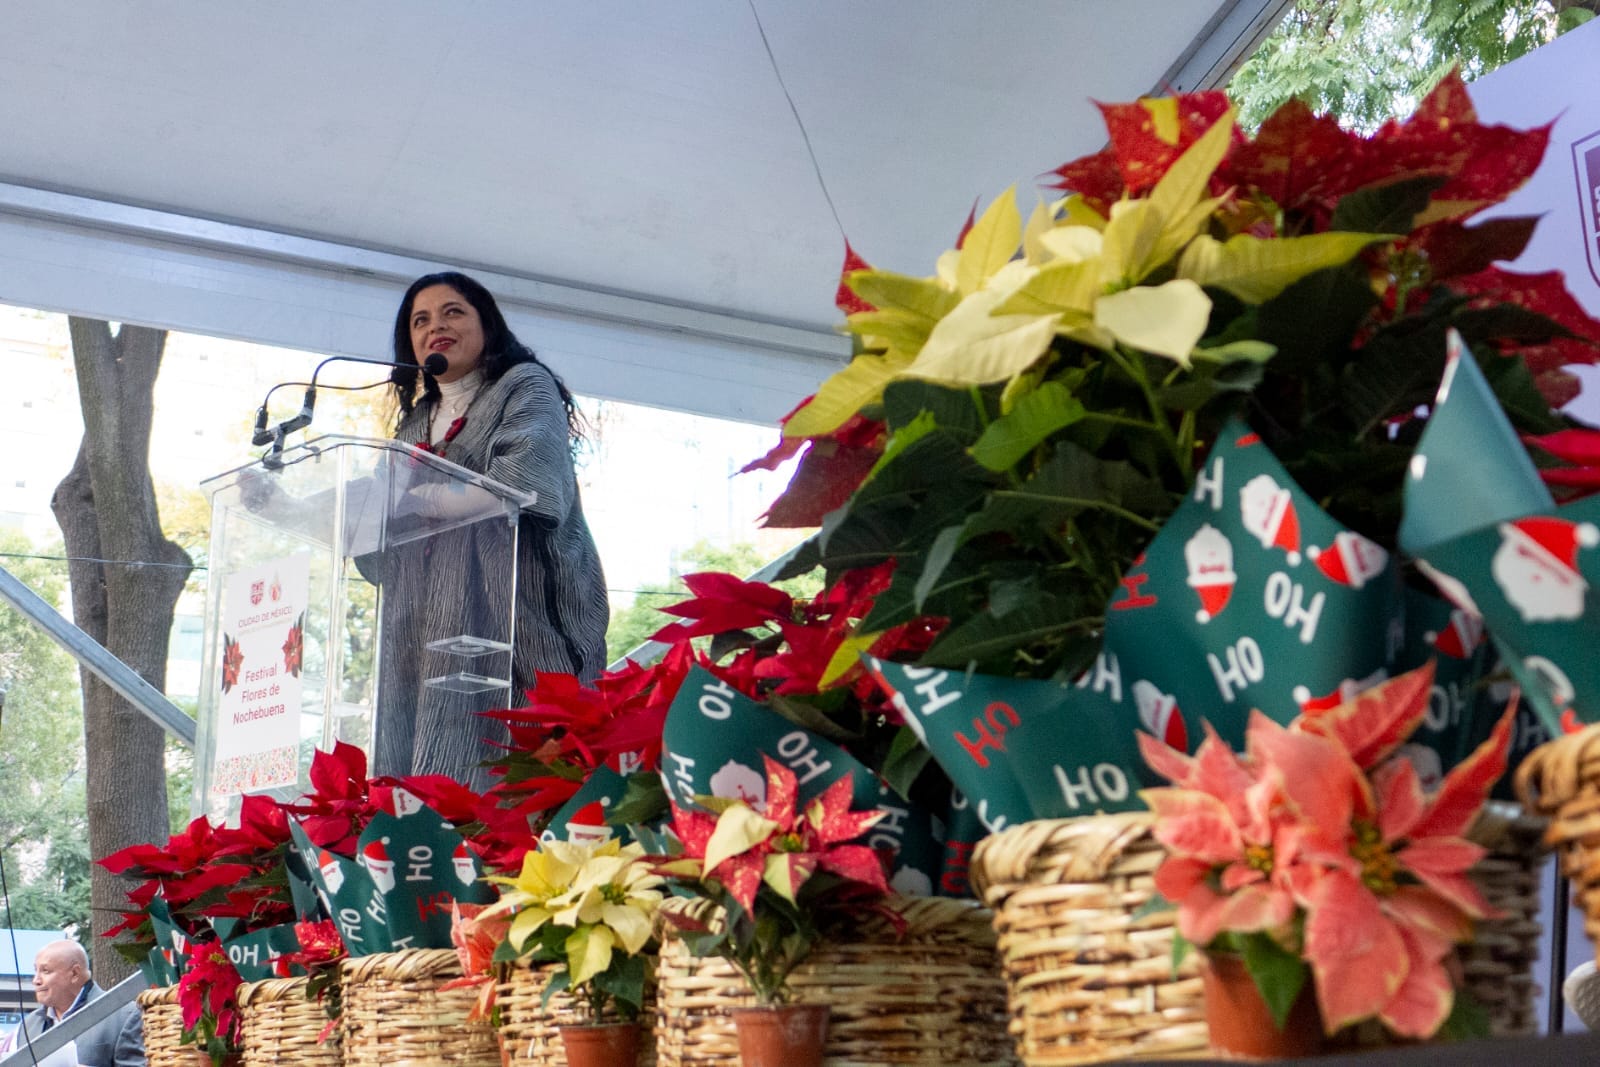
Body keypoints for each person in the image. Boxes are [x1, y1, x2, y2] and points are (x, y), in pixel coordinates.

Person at [370, 271, 609, 787]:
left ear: (487, 324)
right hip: (423, 641)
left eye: (453, 311)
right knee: (426, 792)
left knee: (518, 792)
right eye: (421, 320)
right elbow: (376, 527)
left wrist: (420, 499)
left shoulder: (524, 385)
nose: (437, 326)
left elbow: (521, 487)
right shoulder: (412, 425)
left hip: (516, 624)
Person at [12, 940, 144, 1067]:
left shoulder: (126, 1015)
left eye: (46, 971)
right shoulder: (28, 1026)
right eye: (36, 970)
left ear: (74, 973)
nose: (36, 980)